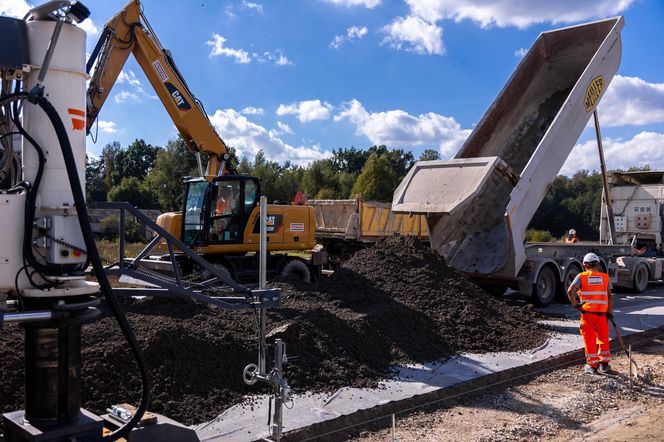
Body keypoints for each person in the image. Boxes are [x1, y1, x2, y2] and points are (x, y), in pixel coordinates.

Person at [566, 252, 614, 374]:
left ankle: (592, 365)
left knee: (589, 339)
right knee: (603, 338)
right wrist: (609, 312)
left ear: (585, 265)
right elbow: (609, 296)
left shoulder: (582, 276)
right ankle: (604, 364)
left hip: (587, 314)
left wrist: (575, 305)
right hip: (602, 315)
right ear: (597, 263)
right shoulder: (605, 278)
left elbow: (570, 290)